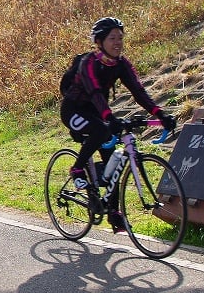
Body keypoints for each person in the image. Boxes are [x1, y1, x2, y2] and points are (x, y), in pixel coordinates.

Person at [60, 17, 177, 233]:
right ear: (100, 41)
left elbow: (138, 91)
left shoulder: (121, 64)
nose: (118, 42)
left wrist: (160, 114)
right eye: (112, 38)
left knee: (112, 161)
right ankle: (77, 168)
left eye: (120, 38)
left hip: (98, 112)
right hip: (74, 110)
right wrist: (109, 117)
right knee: (101, 129)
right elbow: (95, 92)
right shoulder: (89, 63)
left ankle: (113, 213)